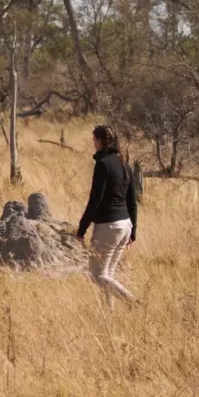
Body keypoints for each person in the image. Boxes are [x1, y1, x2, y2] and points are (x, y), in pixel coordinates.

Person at [77, 124, 139, 309]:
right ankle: (108, 314)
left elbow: (95, 200)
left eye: (94, 139)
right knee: (108, 274)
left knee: (97, 275)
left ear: (101, 141)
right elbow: (133, 202)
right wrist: (133, 232)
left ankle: (133, 303)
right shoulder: (124, 164)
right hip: (125, 225)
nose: (93, 143)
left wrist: (81, 229)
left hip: (108, 226)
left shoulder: (103, 165)